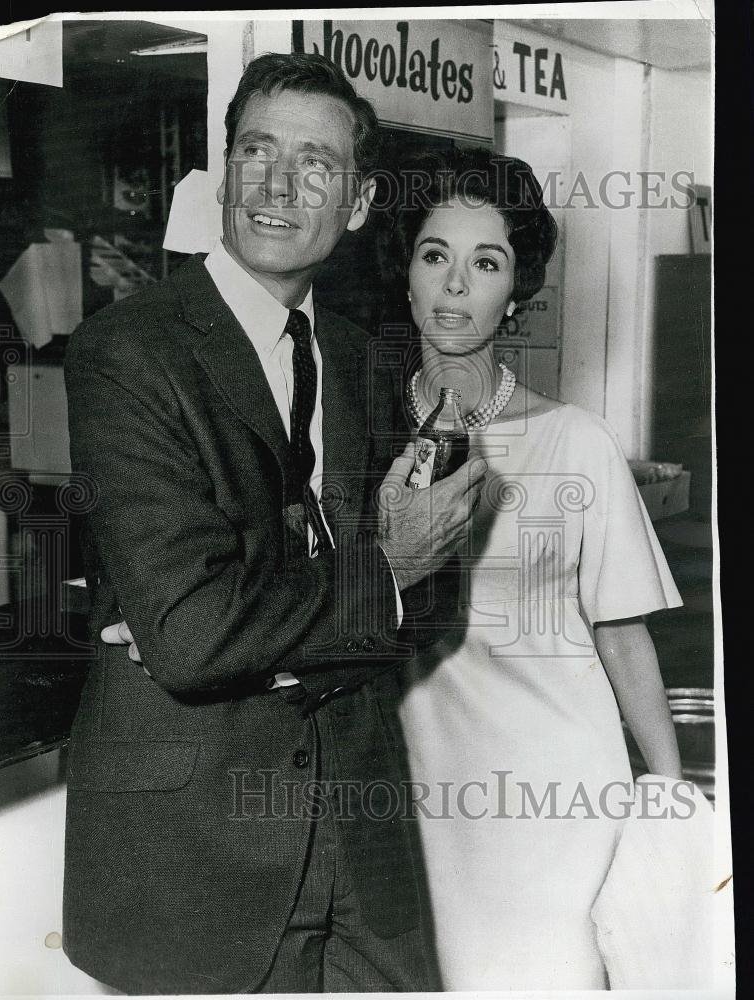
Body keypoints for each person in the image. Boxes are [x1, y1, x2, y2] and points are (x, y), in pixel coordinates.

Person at [61, 54, 487, 994]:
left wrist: (293, 618)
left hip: (361, 836)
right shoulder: (128, 354)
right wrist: (380, 571)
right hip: (196, 863)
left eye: (316, 164)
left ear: (361, 200)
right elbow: (193, 636)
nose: (278, 186)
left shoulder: (359, 358)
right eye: (256, 151)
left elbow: (436, 596)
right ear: (224, 174)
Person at [389, 148, 684, 990]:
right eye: (435, 255)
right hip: (413, 796)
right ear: (406, 276)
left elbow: (622, 636)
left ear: (517, 293)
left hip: (557, 802)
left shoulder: (575, 441)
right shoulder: (358, 438)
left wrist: (664, 801)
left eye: (487, 263)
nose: (455, 285)